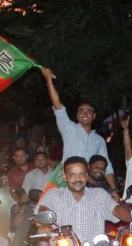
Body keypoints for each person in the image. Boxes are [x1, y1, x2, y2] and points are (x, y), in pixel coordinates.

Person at [40, 67, 121, 201]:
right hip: (66, 181)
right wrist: (49, 80)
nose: (85, 113)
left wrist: (113, 190)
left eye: (89, 111)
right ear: (77, 115)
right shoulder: (69, 128)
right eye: (81, 111)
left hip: (89, 185)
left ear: (94, 116)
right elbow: (58, 106)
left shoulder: (99, 140)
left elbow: (106, 166)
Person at [21, 152, 54, 246]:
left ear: (48, 160)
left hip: (54, 208)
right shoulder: (30, 175)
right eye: (37, 159)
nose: (40, 161)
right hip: (34, 205)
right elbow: (26, 193)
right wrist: (21, 210)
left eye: (43, 159)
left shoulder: (57, 176)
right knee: (23, 229)